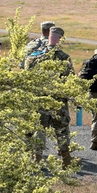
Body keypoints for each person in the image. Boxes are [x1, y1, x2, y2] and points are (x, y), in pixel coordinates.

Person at [26, 26, 75, 167]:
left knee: (40, 129)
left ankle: (38, 159)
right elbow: (69, 79)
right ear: (60, 39)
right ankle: (66, 160)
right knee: (61, 129)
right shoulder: (64, 57)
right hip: (58, 100)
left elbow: (29, 76)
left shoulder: (36, 56)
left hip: (41, 99)